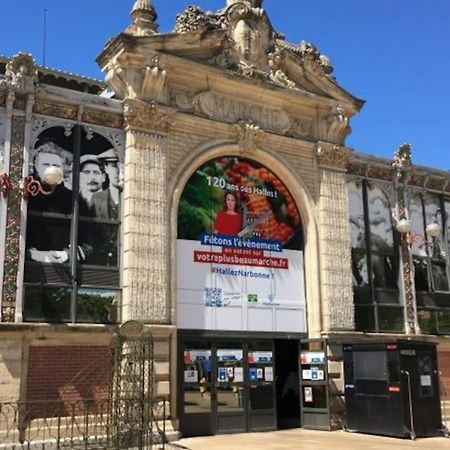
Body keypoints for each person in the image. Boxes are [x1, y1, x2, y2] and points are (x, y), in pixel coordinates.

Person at [28, 141, 72, 214]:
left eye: (56, 165)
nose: (51, 169)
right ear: (37, 167)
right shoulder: (28, 191)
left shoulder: (71, 198)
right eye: (46, 165)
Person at [90, 148, 120, 220]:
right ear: (106, 168)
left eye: (122, 166)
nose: (118, 171)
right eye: (114, 166)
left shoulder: (131, 200)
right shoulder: (96, 199)